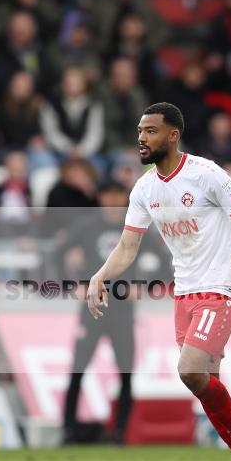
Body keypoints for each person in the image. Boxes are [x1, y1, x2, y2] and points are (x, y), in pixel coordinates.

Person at [87, 103, 231, 461]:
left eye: (151, 131)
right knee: (206, 382)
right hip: (185, 292)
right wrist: (101, 275)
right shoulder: (144, 189)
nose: (141, 137)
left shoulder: (206, 175)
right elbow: (127, 246)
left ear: (172, 135)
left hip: (222, 285)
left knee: (189, 370)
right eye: (140, 130)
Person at [62, 182, 138, 445]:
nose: (113, 200)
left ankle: (120, 433)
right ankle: (69, 430)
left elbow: (164, 261)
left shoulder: (135, 224)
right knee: (78, 367)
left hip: (122, 309)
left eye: (117, 195)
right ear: (101, 196)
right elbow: (56, 252)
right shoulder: (86, 225)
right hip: (92, 306)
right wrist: (71, 282)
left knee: (126, 371)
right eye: (108, 194)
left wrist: (143, 286)